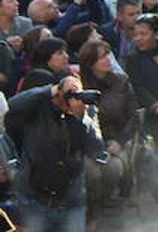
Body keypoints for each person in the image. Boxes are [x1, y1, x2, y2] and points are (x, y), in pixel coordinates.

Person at [5, 74, 108, 231]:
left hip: (71, 200)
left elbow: (96, 149)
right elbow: (11, 105)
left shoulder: (86, 109)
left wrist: (81, 118)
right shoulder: (38, 106)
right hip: (34, 198)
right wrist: (51, 90)